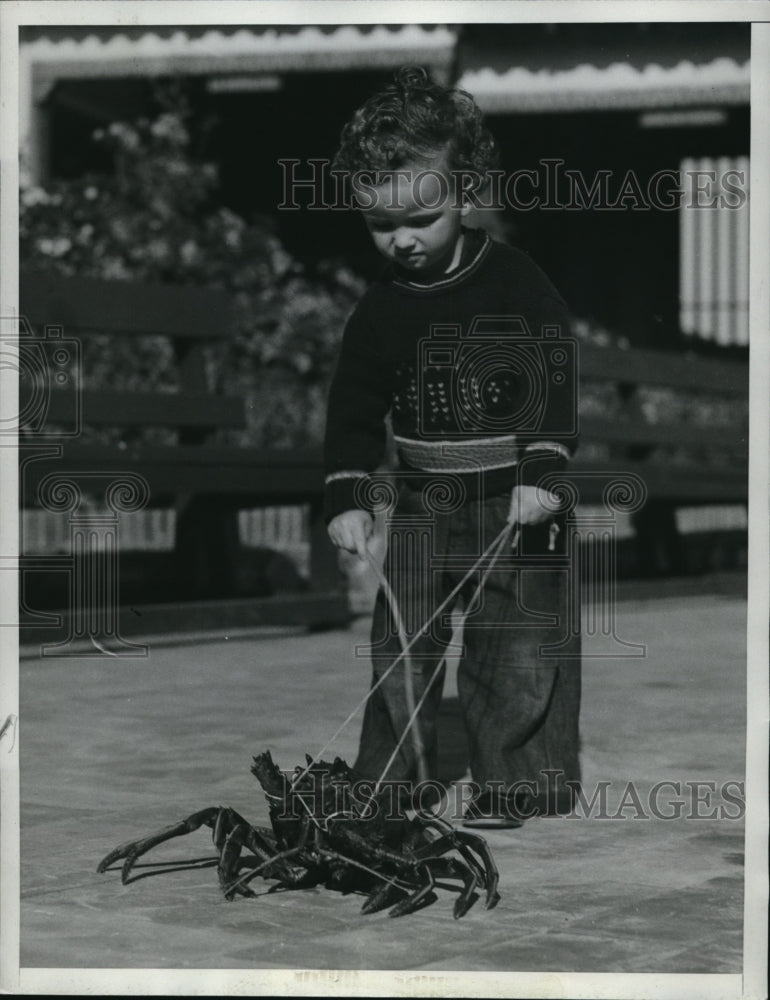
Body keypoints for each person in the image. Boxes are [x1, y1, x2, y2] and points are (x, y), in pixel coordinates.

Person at [323, 67, 581, 827]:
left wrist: (544, 470)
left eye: (421, 218)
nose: (401, 240)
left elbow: (551, 371)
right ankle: (388, 786)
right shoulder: (377, 313)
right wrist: (346, 495)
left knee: (517, 650)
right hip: (423, 499)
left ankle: (515, 783)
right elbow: (354, 406)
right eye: (379, 224)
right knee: (401, 646)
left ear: (464, 192)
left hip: (520, 501)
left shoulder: (514, 282)